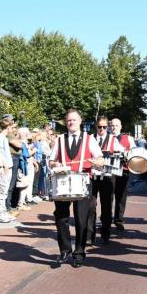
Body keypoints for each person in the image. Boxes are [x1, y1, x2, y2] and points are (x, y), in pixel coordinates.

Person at [49, 109, 103, 268]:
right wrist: (55, 164)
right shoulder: (59, 139)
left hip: (82, 182)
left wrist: (95, 162)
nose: (71, 122)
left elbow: (100, 159)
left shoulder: (89, 139)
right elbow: (51, 161)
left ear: (80, 121)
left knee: (81, 219)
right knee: (61, 218)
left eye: (73, 120)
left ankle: (79, 253)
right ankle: (64, 250)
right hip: (63, 182)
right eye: (68, 120)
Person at [89, 116, 123, 245]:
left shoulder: (113, 139)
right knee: (91, 206)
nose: (102, 129)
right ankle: (89, 235)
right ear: (96, 127)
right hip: (92, 177)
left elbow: (122, 152)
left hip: (107, 177)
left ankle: (105, 233)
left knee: (106, 206)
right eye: (99, 127)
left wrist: (116, 154)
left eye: (104, 127)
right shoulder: (90, 139)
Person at [110, 118, 136, 231]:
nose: (114, 127)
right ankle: (106, 219)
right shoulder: (106, 138)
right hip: (109, 171)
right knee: (108, 197)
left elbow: (134, 153)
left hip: (123, 170)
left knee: (121, 197)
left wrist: (126, 153)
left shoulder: (128, 138)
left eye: (116, 125)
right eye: (112, 125)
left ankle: (119, 219)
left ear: (121, 127)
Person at [0, 116, 17, 223]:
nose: (12, 130)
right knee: (2, 190)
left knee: (5, 190)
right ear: (8, 128)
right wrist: (4, 165)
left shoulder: (4, 138)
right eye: (11, 128)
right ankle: (0, 212)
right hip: (4, 167)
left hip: (8, 166)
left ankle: (4, 211)